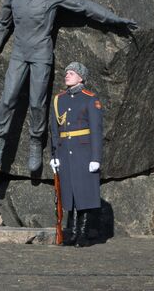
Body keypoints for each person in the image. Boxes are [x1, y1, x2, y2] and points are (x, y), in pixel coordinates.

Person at [0, 0, 136, 171]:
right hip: (19, 53)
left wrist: (114, 19)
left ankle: (35, 143)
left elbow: (85, 7)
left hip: (41, 54)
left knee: (37, 102)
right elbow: (2, 24)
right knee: (7, 98)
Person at [50, 62, 102, 247]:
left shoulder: (90, 98)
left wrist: (96, 158)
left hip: (84, 153)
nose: (67, 75)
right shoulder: (59, 99)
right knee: (69, 194)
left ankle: (82, 234)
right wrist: (54, 154)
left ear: (81, 77)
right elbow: (54, 130)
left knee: (84, 194)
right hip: (65, 152)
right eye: (66, 73)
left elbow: (96, 130)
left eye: (71, 73)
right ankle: (71, 233)